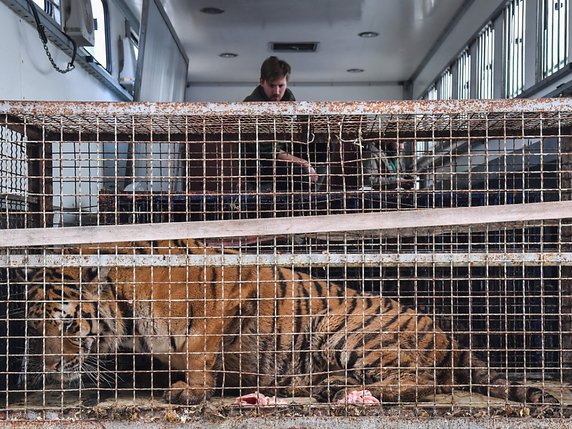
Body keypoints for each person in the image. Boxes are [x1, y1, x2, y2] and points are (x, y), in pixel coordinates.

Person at [243, 56, 317, 192]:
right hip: (262, 164)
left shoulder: (288, 98)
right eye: (272, 86)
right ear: (261, 82)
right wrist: (303, 162)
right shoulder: (251, 105)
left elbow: (297, 131)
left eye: (281, 86)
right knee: (297, 173)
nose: (277, 92)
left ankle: (316, 189)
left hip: (285, 151)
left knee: (323, 144)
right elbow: (268, 151)